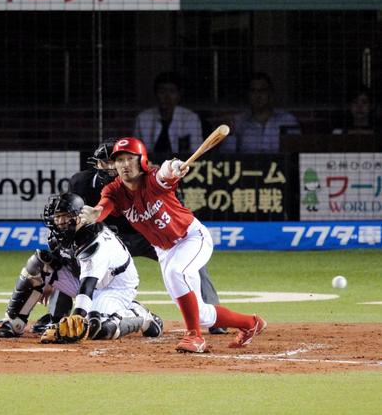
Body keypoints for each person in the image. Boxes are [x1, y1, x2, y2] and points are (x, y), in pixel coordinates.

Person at [80, 137, 267, 353]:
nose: (124, 164)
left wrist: (174, 166)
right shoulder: (114, 190)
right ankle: (251, 323)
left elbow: (165, 172)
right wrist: (95, 214)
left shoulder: (153, 179)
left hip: (192, 238)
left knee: (177, 273)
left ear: (141, 160)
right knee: (200, 313)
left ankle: (194, 337)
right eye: (119, 160)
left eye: (129, 158)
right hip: (165, 251)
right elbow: (104, 206)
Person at [34, 139, 227, 335]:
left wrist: (172, 169)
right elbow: (67, 228)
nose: (112, 167)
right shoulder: (81, 183)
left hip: (147, 237)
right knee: (70, 259)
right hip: (106, 243)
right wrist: (52, 280)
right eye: (108, 162)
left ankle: (213, 316)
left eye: (119, 160)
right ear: (96, 164)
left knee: (187, 259)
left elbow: (169, 189)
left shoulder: (145, 177)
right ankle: (56, 317)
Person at [0, 192, 163, 343]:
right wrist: (47, 283)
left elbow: (87, 285)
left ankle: (140, 315)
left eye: (65, 216)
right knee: (38, 263)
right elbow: (59, 262)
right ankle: (14, 322)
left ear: (79, 217)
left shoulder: (95, 241)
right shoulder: (59, 234)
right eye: (57, 217)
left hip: (115, 288)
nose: (59, 222)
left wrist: (77, 318)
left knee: (97, 328)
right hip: (84, 279)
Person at [221, 72, 300, 153]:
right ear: (248, 95)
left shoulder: (287, 120)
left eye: (262, 90)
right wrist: (230, 134)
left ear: (270, 93)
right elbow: (227, 155)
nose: (258, 95)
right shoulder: (238, 122)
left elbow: (297, 151)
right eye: (253, 91)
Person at [133, 71, 204, 153]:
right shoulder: (142, 119)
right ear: (156, 94)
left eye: (172, 92)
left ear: (179, 95)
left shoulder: (191, 118)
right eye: (162, 92)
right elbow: (136, 151)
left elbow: (196, 152)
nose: (167, 97)